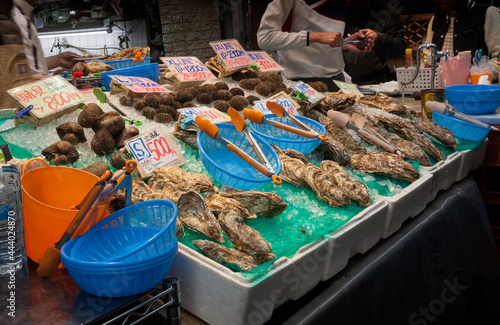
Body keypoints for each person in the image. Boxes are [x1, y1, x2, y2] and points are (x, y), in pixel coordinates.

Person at [257, 0, 374, 92]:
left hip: (337, 79)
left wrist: (345, 43)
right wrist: (314, 36)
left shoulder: (341, 3)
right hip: (301, 81)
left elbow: (327, 39)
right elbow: (265, 38)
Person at [423, 0, 500, 82]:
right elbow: (427, 55)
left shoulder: (486, 13)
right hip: (440, 86)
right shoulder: (436, 19)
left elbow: (498, 58)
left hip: (476, 89)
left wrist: (475, 77)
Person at [343, 0, 406, 85]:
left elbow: (399, 49)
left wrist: (379, 38)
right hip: (340, 82)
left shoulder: (386, 11)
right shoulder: (335, 11)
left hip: (376, 83)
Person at [11, 0, 80, 76]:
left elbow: (28, 67)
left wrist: (58, 60)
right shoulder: (16, 19)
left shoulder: (20, 14)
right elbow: (25, 76)